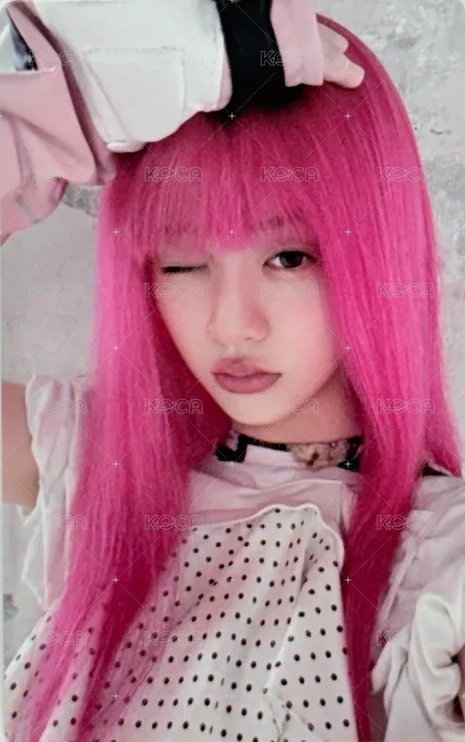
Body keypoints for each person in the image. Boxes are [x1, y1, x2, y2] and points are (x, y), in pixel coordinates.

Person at [3, 11, 465, 742]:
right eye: (183, 262)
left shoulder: (436, 558)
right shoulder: (96, 463)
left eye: (287, 258)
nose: (231, 325)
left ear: (375, 252)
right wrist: (48, 119)